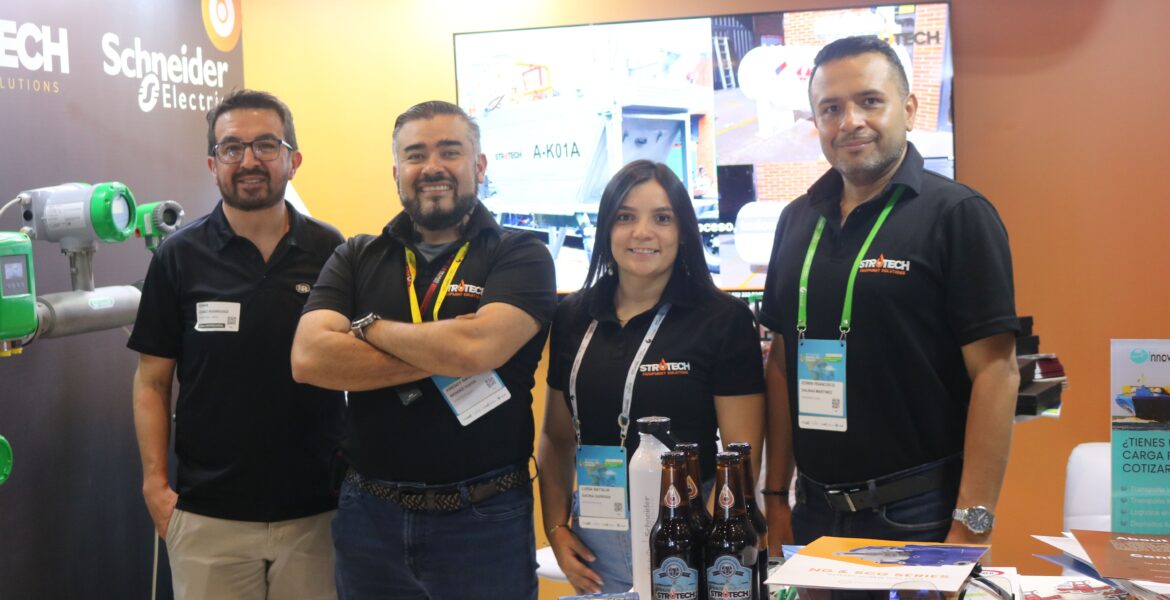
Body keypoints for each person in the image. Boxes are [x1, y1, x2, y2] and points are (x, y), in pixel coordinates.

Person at [760, 35, 1020, 550]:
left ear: (909, 108)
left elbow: (996, 373)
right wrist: (774, 497)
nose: (849, 121)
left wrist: (971, 526)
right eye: (831, 108)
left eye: (869, 101)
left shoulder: (957, 215)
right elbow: (783, 362)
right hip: (814, 511)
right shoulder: (795, 220)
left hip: (918, 514)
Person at [290, 100, 557, 599]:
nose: (432, 167)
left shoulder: (521, 253)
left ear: (479, 165)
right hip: (369, 520)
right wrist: (449, 349)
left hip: (485, 521)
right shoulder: (356, 255)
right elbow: (309, 359)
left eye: (449, 151)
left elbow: (476, 347)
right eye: (415, 155)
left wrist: (367, 328)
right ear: (397, 173)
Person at [129, 89, 344, 600]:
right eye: (232, 148)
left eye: (266, 145)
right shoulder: (178, 257)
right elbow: (152, 383)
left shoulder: (331, 250)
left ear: (293, 160)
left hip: (318, 513)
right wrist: (156, 487)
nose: (248, 161)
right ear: (213, 164)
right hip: (209, 518)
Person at [539, 160, 765, 594]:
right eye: (626, 217)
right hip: (595, 541)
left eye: (662, 218)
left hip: (689, 539)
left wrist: (709, 548)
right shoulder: (572, 316)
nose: (642, 232)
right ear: (606, 227)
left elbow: (741, 457)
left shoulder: (723, 320)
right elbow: (557, 436)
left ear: (683, 231)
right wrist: (555, 528)